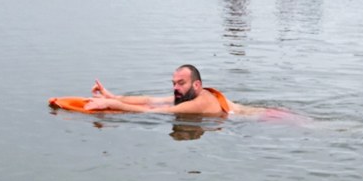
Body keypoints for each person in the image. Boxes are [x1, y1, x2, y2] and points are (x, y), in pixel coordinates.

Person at [85, 64, 268, 117]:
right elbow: (150, 101)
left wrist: (111, 105)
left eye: (181, 83)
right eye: (174, 83)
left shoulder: (201, 102)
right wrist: (113, 96)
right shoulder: (188, 97)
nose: (175, 88)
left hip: (267, 119)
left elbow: (160, 111)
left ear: (197, 85)